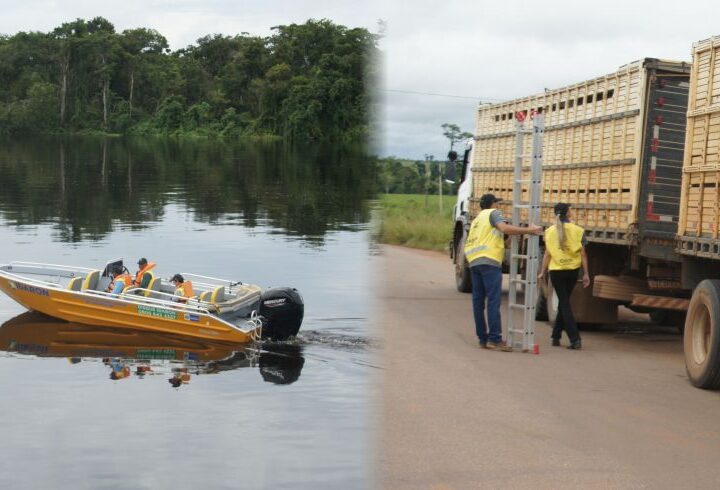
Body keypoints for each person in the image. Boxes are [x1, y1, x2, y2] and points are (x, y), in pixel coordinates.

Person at [464, 193, 543, 351]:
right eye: (496, 203)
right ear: (492, 204)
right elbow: (503, 227)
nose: (498, 206)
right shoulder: (494, 213)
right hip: (489, 260)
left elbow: (498, 237)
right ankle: (495, 339)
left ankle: (482, 339)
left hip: (474, 260)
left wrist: (510, 238)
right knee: (493, 301)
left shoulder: (477, 220)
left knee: (478, 303)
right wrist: (529, 230)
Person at [538, 203, 590, 350]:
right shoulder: (578, 230)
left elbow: (547, 254)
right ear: (568, 213)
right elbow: (583, 254)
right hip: (572, 271)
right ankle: (568, 337)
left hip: (556, 271)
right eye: (570, 209)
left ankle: (562, 337)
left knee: (564, 303)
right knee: (565, 302)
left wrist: (543, 271)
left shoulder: (549, 231)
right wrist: (586, 273)